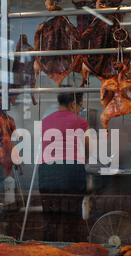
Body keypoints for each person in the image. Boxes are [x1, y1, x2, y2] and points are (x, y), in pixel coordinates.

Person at [38, 91, 89, 242]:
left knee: (50, 220)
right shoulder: (80, 121)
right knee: (71, 220)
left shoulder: (45, 121)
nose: (80, 109)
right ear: (73, 104)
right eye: (80, 105)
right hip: (70, 172)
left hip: (46, 172)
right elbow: (87, 147)